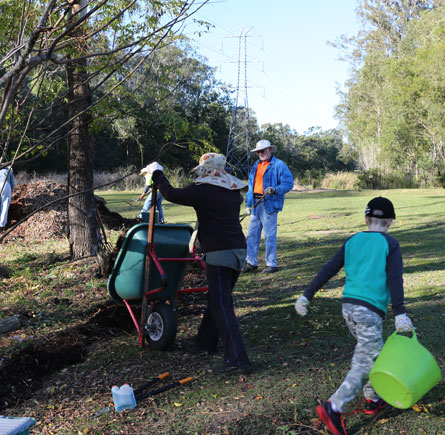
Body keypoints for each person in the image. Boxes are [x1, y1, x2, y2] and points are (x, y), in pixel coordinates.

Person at [293, 197, 413, 435]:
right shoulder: (391, 244)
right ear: (391, 221)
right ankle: (334, 406)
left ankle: (372, 399)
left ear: (366, 219)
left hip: (348, 308)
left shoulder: (353, 240)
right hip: (369, 312)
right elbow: (395, 280)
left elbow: (329, 268)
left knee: (373, 351)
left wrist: (307, 294)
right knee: (365, 361)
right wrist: (400, 313)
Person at [145, 154, 252, 375]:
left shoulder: (203, 191)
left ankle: (237, 360)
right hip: (238, 250)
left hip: (220, 253)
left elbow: (172, 194)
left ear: (206, 171)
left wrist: (157, 174)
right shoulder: (232, 192)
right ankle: (204, 342)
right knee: (217, 299)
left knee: (223, 306)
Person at [241, 139, 294, 274]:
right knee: (251, 236)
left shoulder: (279, 165)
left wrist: (275, 189)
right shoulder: (256, 165)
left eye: (263, 150)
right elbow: (250, 187)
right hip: (256, 204)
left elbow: (288, 183)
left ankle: (271, 264)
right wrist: (248, 205)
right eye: (258, 151)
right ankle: (251, 262)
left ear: (270, 149)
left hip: (269, 205)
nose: (260, 153)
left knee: (269, 236)